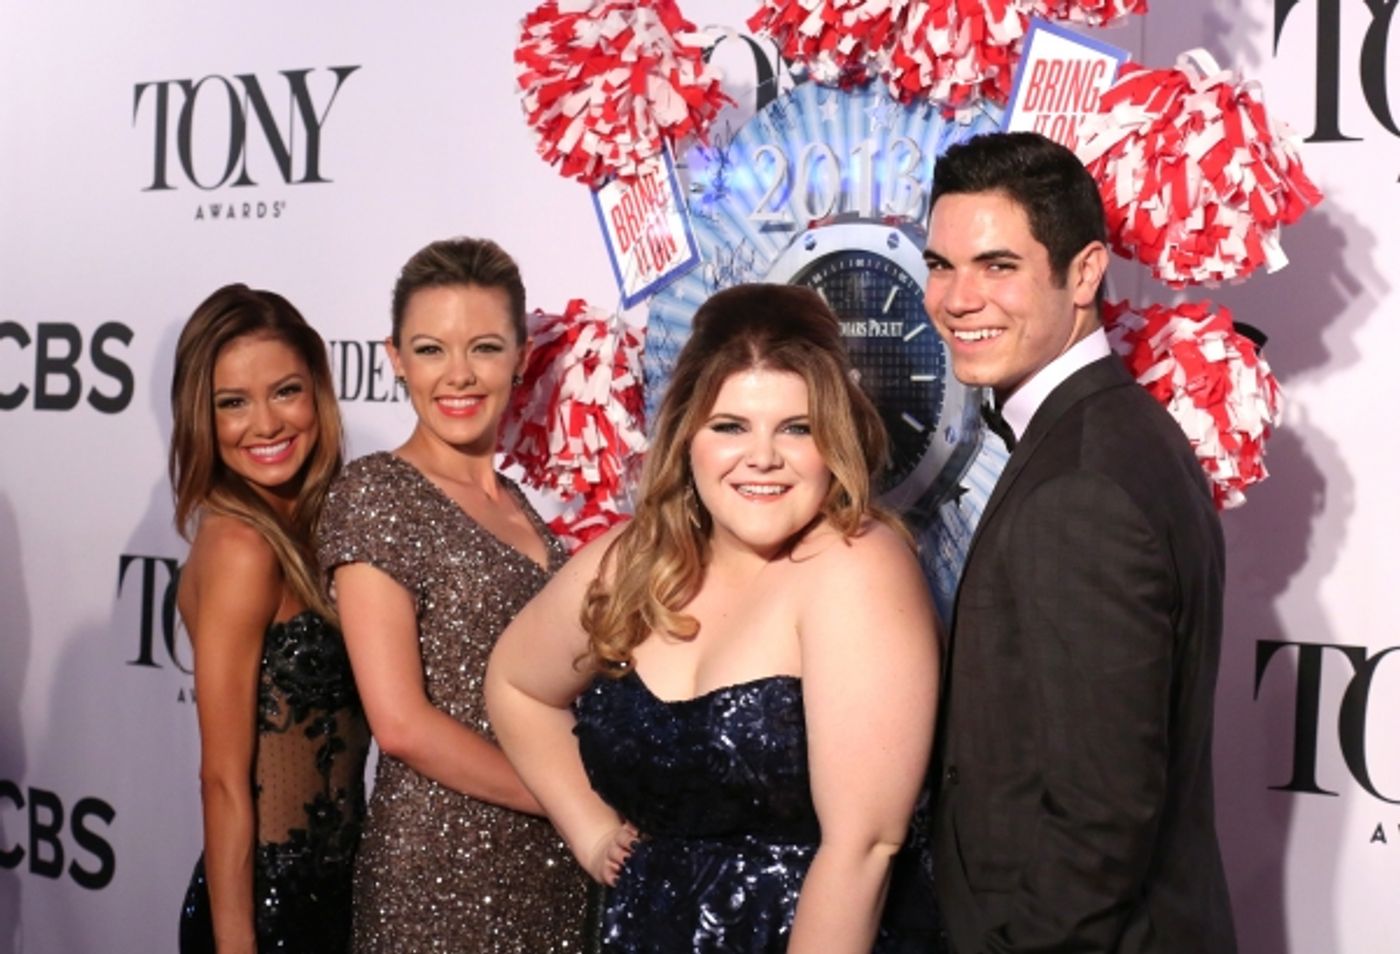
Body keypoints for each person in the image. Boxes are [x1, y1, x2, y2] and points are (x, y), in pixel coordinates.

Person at [486, 283, 942, 953]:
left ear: (833, 439)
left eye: (797, 428)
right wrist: (591, 832)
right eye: (730, 426)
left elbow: (864, 848)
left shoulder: (858, 566)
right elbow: (516, 684)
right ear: (688, 434)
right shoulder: (634, 557)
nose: (762, 458)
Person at [921, 131, 1237, 953]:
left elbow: (1101, 822)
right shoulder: (1114, 433)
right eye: (940, 265)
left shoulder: (1081, 485)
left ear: (1086, 272)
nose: (957, 298)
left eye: (997, 266)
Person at [316, 237, 590, 952]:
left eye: (486, 347)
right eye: (432, 349)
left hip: (553, 873)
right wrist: (569, 800)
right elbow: (401, 722)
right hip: (439, 876)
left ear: (522, 356)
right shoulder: (376, 493)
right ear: (395, 357)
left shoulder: (523, 507)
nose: (459, 375)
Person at [172, 284, 369, 954]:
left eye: (285, 391)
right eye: (233, 403)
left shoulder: (327, 529)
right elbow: (223, 780)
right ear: (203, 417)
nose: (266, 424)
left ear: (317, 389)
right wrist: (236, 944)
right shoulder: (239, 547)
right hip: (265, 915)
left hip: (343, 901)